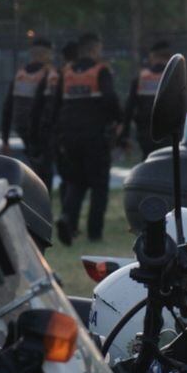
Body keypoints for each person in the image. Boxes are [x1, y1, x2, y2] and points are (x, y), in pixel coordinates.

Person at [54, 32, 121, 244]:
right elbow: (111, 98)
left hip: (70, 139)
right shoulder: (100, 71)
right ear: (93, 50)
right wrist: (118, 119)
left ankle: (67, 219)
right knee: (99, 187)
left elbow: (57, 105)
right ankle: (94, 232)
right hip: (95, 138)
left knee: (76, 182)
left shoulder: (66, 73)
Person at [1, 36, 59, 184]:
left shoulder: (20, 76)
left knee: (35, 168)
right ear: (45, 54)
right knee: (45, 171)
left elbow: (8, 106)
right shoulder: (50, 74)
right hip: (43, 130)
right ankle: (44, 199)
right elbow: (54, 105)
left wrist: (5, 139)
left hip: (22, 128)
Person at [125, 40, 171, 158]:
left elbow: (129, 108)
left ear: (152, 56)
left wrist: (124, 136)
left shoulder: (141, 78)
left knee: (149, 163)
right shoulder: (175, 76)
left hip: (146, 134)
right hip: (169, 134)